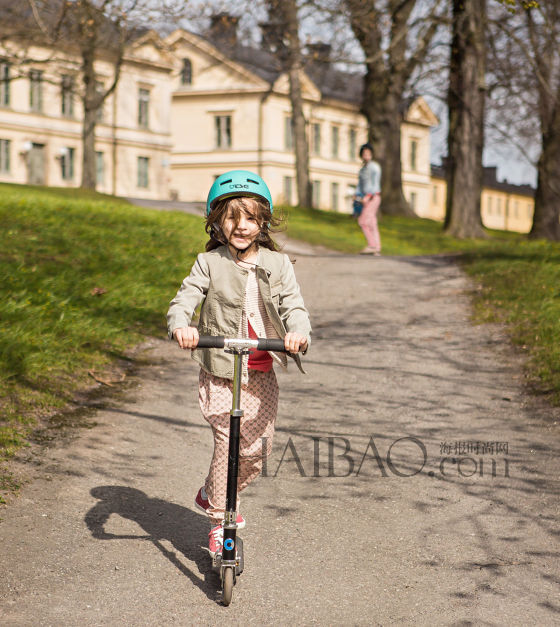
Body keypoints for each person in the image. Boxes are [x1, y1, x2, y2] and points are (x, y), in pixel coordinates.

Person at [167, 170, 311, 557]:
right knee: (228, 444)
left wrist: (298, 334)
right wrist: (181, 325)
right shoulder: (208, 262)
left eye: (250, 217)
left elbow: (292, 305)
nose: (241, 226)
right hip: (220, 368)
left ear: (263, 221)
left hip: (260, 370)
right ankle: (220, 522)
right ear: (217, 222)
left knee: (257, 452)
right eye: (231, 218)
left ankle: (209, 492)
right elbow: (186, 297)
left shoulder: (278, 265)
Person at [353, 143, 382, 255]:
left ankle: (372, 245)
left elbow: (376, 184)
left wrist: (369, 196)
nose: (366, 155)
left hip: (373, 197)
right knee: (372, 223)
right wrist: (357, 195)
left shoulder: (374, 167)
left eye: (368, 153)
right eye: (364, 153)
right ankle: (377, 248)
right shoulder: (362, 170)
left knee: (363, 221)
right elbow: (360, 185)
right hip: (364, 198)